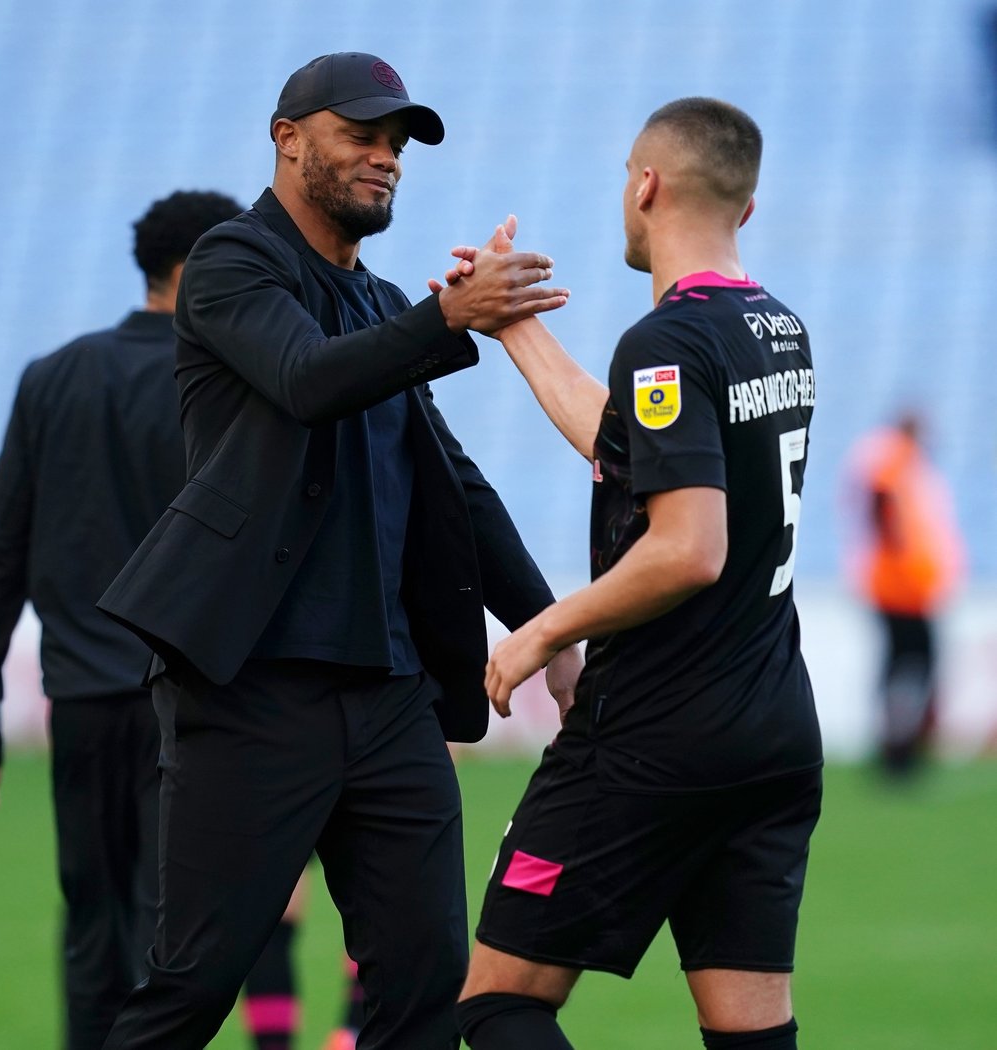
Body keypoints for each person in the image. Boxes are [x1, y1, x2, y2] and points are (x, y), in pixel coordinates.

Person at [95, 51, 580, 1050]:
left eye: (397, 143)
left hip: (389, 694)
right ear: (288, 138)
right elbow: (309, 379)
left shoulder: (379, 300)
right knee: (194, 986)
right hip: (250, 687)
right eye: (361, 134)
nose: (386, 157)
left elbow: (459, 490)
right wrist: (446, 317)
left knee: (426, 980)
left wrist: (550, 631)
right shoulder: (234, 264)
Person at [445, 98, 823, 1050]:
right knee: (748, 1030)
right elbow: (631, 448)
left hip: (656, 731)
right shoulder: (775, 329)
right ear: (746, 206)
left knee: (497, 1004)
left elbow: (690, 546)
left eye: (625, 175)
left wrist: (544, 628)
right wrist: (516, 328)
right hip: (771, 729)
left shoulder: (667, 341)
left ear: (646, 185)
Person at [0, 190, 244, 1050]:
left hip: (78, 703)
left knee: (92, 925)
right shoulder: (220, 381)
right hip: (189, 709)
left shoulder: (53, 378)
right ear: (193, 271)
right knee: (172, 931)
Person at [842, 412, 964, 774]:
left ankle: (900, 743)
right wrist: (896, 549)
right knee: (912, 663)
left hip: (907, 585)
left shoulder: (901, 459)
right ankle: (900, 747)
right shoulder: (894, 456)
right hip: (901, 587)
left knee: (903, 663)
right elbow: (881, 501)